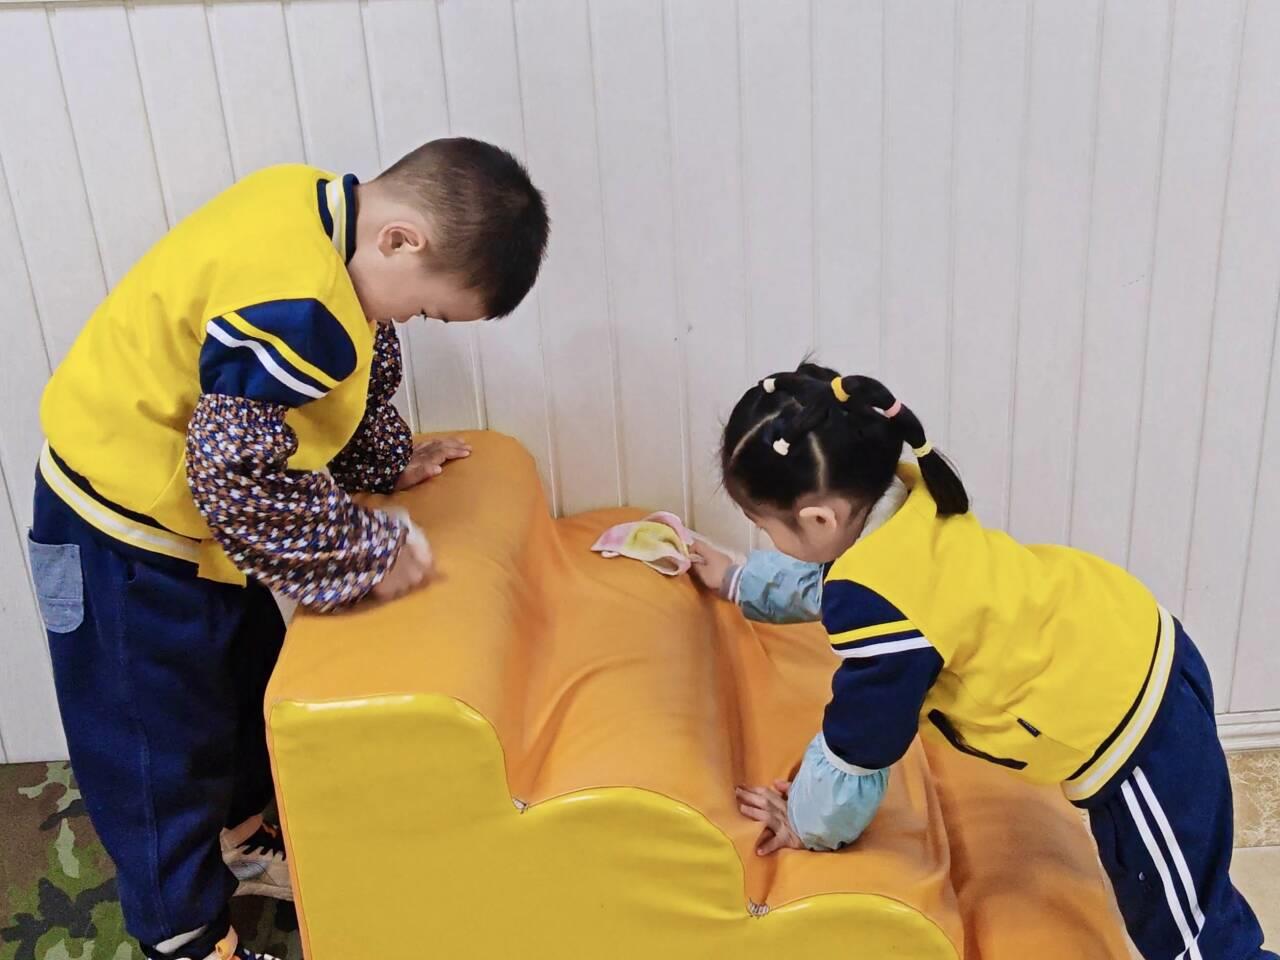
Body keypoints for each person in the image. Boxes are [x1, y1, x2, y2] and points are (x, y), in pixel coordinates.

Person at [27, 138, 549, 960]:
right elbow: (233, 469)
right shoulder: (303, 303)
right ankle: (185, 936)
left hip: (192, 522)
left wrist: (383, 460)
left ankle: (241, 838)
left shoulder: (321, 212)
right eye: (424, 310)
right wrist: (360, 553)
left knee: (240, 681)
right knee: (152, 744)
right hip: (116, 528)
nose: (403, 323)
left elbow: (346, 376)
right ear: (401, 239)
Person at [691, 362, 1275, 960]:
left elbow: (860, 742)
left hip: (1133, 727)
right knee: (1190, 912)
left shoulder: (882, 601)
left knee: (1194, 939)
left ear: (820, 519)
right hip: (1138, 638)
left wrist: (808, 823)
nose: (769, 541)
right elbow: (841, 580)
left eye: (764, 527)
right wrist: (739, 579)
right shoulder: (902, 498)